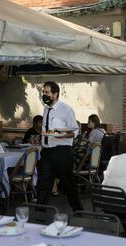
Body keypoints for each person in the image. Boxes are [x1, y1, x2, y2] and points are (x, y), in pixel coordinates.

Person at [37, 81, 83, 211]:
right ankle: (39, 212)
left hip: (62, 151)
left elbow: (75, 131)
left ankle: (78, 210)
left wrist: (59, 134)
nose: (44, 95)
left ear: (55, 94)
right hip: (46, 151)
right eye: (43, 92)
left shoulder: (66, 109)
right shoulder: (46, 109)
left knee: (68, 183)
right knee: (43, 183)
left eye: (47, 92)